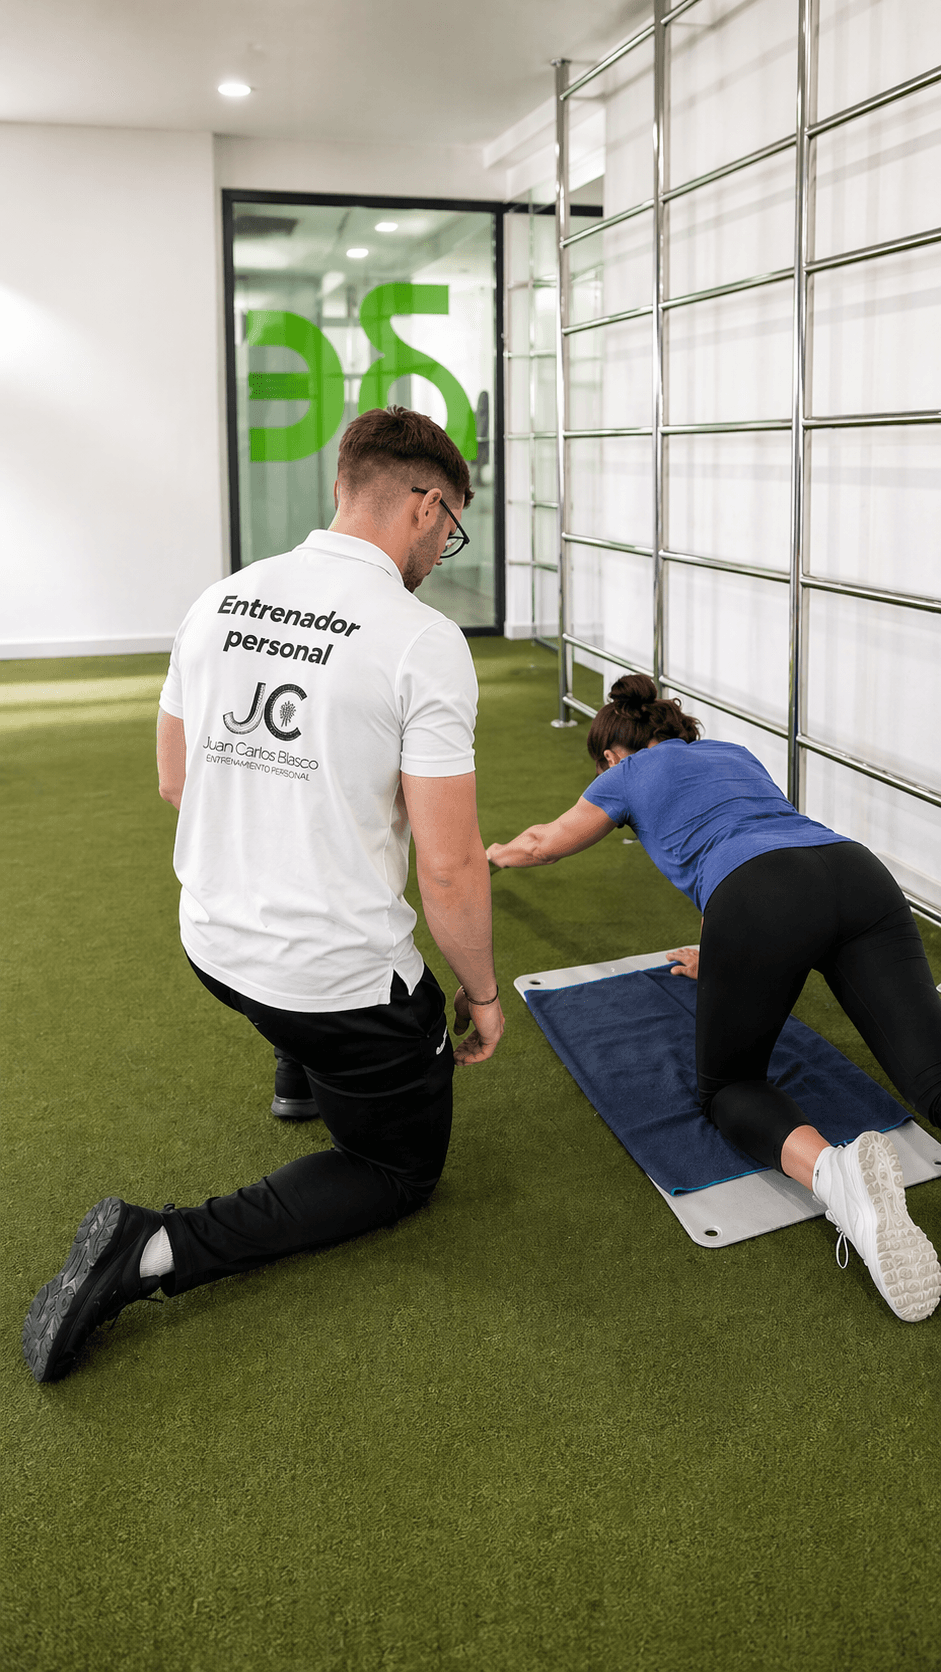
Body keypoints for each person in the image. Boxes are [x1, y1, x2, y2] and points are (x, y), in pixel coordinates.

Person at [22, 406, 505, 1383]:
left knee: (298, 890)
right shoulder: (419, 640)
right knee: (395, 1169)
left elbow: (174, 779)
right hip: (329, 978)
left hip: (211, 943)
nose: (442, 549)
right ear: (421, 504)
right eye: (446, 526)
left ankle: (296, 1072)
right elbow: (451, 868)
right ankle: (154, 1249)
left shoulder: (221, 600)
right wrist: (481, 993)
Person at [487, 672, 941, 1323]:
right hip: (855, 873)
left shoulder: (625, 773)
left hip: (760, 899)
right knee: (929, 1072)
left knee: (729, 1089)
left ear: (612, 754)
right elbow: (764, 841)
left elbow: (545, 843)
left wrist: (495, 855)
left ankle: (837, 1180)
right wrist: (719, 950)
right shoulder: (731, 754)